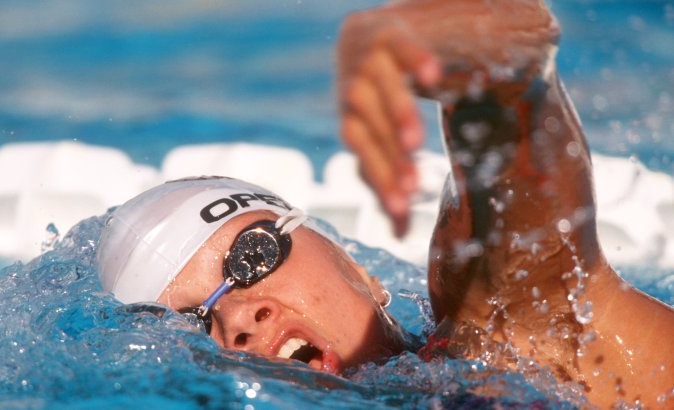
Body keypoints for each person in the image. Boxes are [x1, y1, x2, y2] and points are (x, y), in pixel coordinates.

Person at [96, 1, 674, 408]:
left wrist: (492, 68)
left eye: (251, 256)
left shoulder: (505, 336)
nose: (241, 317)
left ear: (362, 271)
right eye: (193, 324)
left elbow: (522, 203)